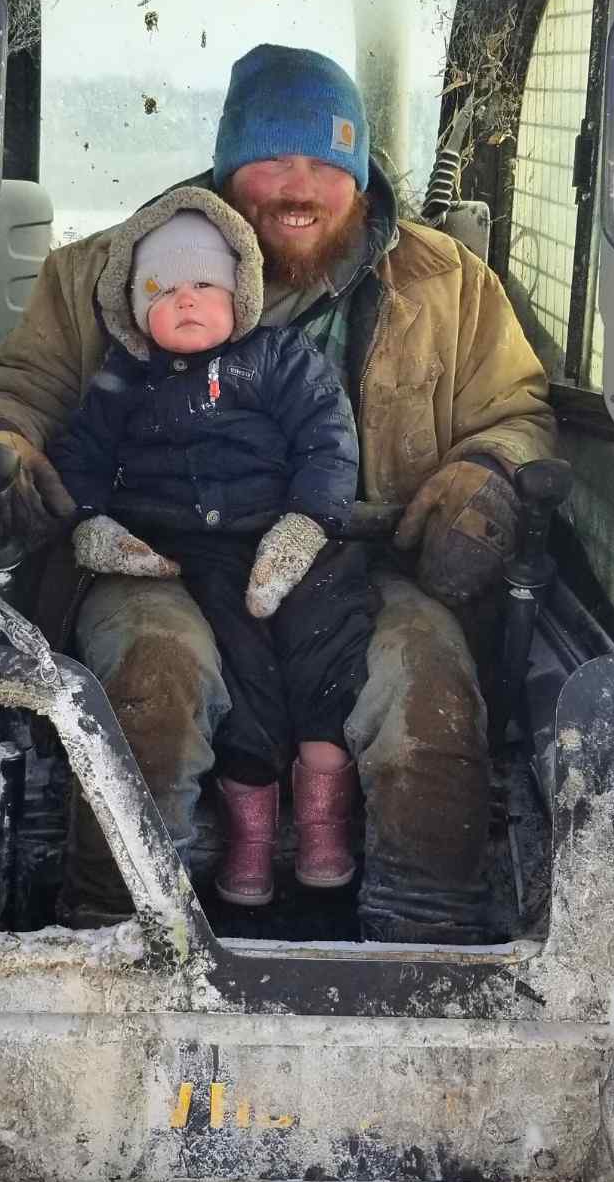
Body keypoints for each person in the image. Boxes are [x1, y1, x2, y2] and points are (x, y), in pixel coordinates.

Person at [0, 44, 555, 943]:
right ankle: (121, 934)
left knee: (427, 684)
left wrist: (487, 475)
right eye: (272, 160)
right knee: (156, 676)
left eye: (326, 161)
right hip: (156, 556)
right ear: (230, 170)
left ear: (361, 173)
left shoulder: (450, 287)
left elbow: (516, 409)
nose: (299, 186)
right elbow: (20, 389)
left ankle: (429, 942)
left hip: (359, 560)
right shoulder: (110, 273)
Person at [46, 186, 373, 906]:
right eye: (164, 289)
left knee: (330, 647)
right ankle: (251, 833)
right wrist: (91, 524)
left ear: (241, 293)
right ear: (134, 306)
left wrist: (308, 524)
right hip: (198, 559)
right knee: (242, 671)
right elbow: (81, 459)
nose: (187, 301)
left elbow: (327, 437)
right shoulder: (120, 383)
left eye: (205, 285)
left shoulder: (281, 360)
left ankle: (324, 815)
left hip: (297, 539)